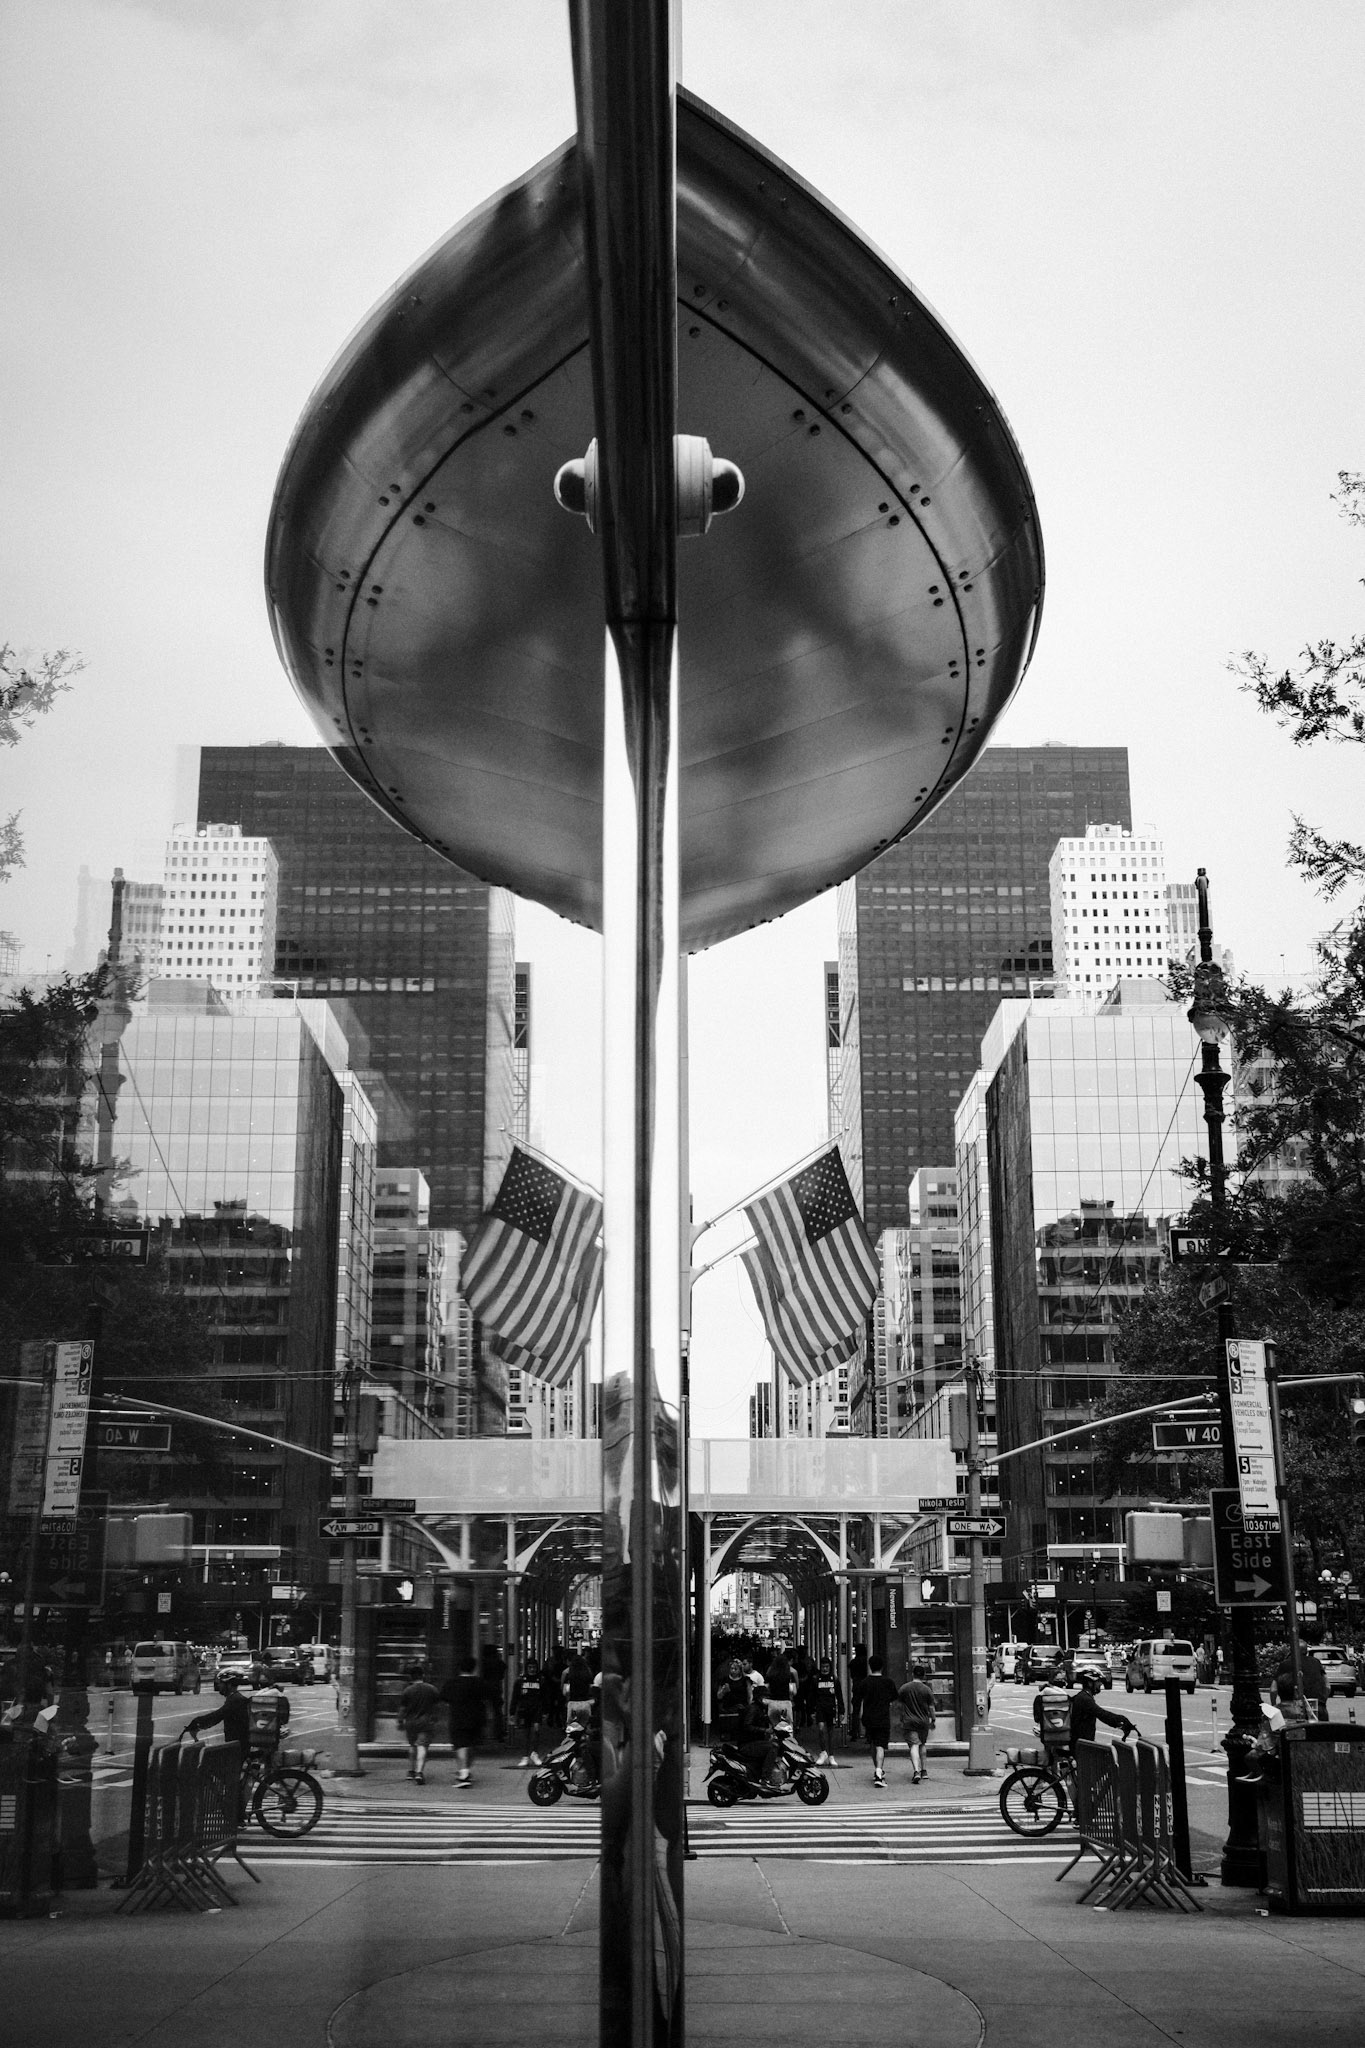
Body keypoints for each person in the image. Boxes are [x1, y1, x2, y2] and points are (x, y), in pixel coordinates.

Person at [442, 1654, 485, 1789]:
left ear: (460, 1668)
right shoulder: (479, 1683)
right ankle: (465, 1769)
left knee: (461, 1745)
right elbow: (489, 1697)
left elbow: (444, 1698)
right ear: (474, 1668)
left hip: (458, 1718)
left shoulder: (452, 1683)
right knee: (471, 1745)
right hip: (476, 1718)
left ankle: (463, 1774)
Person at [1066, 1670, 1135, 1751]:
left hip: (1082, 1743)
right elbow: (1101, 1714)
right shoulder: (1084, 1699)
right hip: (1081, 1746)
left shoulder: (1082, 1696)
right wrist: (1121, 1721)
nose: (1100, 1684)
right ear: (1090, 1683)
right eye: (1098, 1682)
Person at [861, 1653, 899, 1789]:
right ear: (882, 1667)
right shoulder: (888, 1682)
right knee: (880, 1745)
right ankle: (878, 1772)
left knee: (872, 1743)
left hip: (869, 1718)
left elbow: (859, 1698)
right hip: (882, 1718)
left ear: (870, 1666)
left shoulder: (865, 1682)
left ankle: (877, 1769)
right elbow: (894, 1698)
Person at [399, 1661, 441, 1785]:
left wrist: (400, 1720)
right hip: (425, 1722)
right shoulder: (432, 1689)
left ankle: (411, 1771)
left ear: (411, 1677)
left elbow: (402, 1708)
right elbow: (437, 1706)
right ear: (423, 1675)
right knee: (422, 1746)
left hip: (411, 1722)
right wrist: (435, 1718)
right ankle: (419, 1772)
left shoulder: (407, 1690)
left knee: (412, 1746)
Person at [897, 1662, 937, 1784]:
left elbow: (899, 1705)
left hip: (909, 1721)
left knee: (914, 1745)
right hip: (923, 1721)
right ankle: (924, 1771)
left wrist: (902, 1717)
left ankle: (916, 1771)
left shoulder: (904, 1688)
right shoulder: (927, 1690)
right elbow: (931, 1707)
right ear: (923, 1675)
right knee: (922, 1744)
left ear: (913, 1674)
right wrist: (933, 1719)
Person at [510, 1654, 545, 1766]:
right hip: (524, 1709)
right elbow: (515, 1697)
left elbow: (545, 1696)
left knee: (536, 1730)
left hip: (537, 1708)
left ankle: (534, 1753)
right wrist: (512, 1712)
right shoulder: (520, 1681)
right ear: (526, 1668)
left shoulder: (541, 1681)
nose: (532, 1669)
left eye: (534, 1667)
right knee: (526, 1733)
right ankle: (525, 1756)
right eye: (530, 1667)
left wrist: (545, 1710)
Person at [810, 1656, 844, 1765]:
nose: (825, 1669)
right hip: (820, 1707)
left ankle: (831, 1755)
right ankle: (823, 1752)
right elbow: (812, 1696)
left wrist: (841, 1711)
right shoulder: (816, 1679)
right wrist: (811, 1710)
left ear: (830, 1667)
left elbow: (839, 1695)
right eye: (823, 1667)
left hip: (831, 1708)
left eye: (827, 1667)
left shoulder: (834, 1679)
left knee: (831, 1732)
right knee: (821, 1729)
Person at [848, 1643, 869, 1743]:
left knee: (856, 1710)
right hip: (866, 1685)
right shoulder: (867, 1661)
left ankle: (854, 1733)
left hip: (857, 1686)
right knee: (868, 1708)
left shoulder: (854, 1662)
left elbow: (852, 1675)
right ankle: (868, 1734)